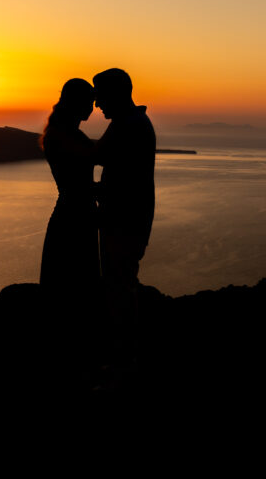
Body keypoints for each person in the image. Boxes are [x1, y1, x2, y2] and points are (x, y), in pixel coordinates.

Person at [92, 68, 155, 366]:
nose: (96, 104)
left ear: (115, 94)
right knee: (120, 285)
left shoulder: (128, 124)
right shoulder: (131, 121)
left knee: (119, 289)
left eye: (99, 95)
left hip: (124, 222)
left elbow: (98, 155)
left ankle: (123, 367)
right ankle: (124, 362)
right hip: (129, 219)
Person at [39, 78, 100, 296]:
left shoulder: (64, 132)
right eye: (89, 102)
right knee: (74, 287)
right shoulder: (63, 135)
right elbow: (79, 183)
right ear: (76, 102)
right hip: (74, 218)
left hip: (76, 214)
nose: (92, 108)